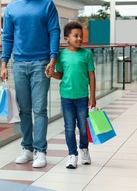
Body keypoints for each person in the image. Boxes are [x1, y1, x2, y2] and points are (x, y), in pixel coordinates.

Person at [0, 0, 61, 168]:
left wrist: (53, 60)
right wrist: (4, 64)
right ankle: (27, 148)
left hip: (41, 63)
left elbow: (54, 32)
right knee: (24, 110)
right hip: (19, 64)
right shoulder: (11, 8)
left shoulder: (47, 4)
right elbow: (7, 37)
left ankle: (41, 151)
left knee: (39, 109)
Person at [47, 21, 96, 169]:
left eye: (81, 36)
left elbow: (92, 76)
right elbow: (60, 75)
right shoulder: (61, 55)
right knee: (69, 127)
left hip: (82, 97)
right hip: (66, 97)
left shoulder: (87, 54)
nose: (79, 39)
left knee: (82, 127)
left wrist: (92, 97)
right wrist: (52, 74)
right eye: (76, 36)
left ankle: (84, 150)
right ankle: (72, 155)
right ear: (66, 38)